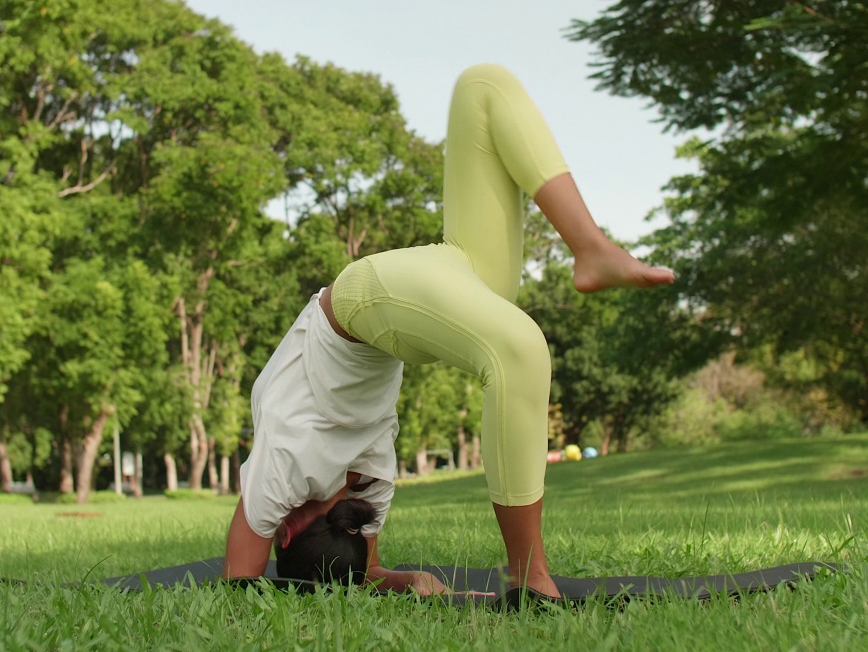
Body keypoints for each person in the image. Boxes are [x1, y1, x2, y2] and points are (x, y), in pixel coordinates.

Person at [222, 63, 675, 599]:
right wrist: (411, 581)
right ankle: (590, 248)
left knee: (520, 350)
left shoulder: (284, 469)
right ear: (291, 534)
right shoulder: (366, 490)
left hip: (364, 303)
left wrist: (352, 570)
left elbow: (237, 584)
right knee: (483, 88)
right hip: (420, 302)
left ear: (289, 530)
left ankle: (528, 576)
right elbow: (366, 572)